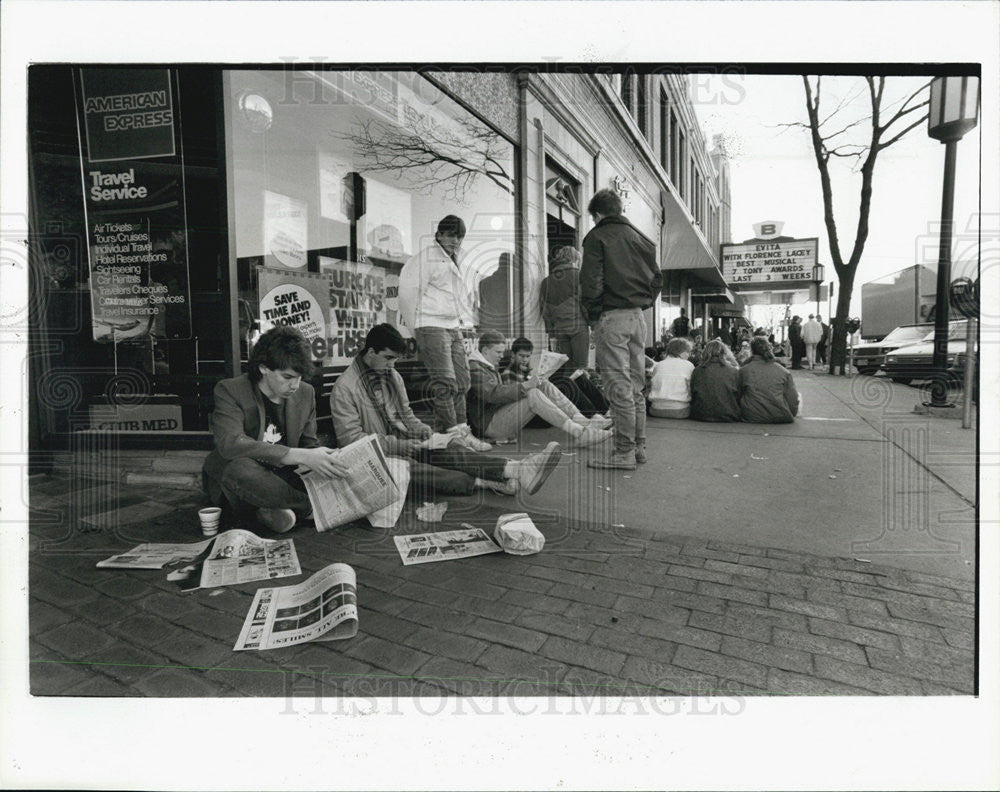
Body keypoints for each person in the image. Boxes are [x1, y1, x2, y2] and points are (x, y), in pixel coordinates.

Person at [330, 324, 564, 499]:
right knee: (418, 472)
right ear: (371, 353)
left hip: (404, 444)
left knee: (452, 449)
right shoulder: (345, 388)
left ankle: (518, 470)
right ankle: (487, 480)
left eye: (395, 360)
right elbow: (351, 441)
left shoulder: (392, 375)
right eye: (388, 358)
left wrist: (422, 430)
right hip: (378, 459)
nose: (392, 365)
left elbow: (407, 414)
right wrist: (397, 445)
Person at [201, 326, 348, 534]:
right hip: (244, 474)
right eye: (287, 377)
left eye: (299, 377)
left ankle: (268, 511)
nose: (295, 385)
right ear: (263, 368)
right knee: (240, 470)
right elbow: (230, 443)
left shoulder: (306, 393)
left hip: (282, 478)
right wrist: (297, 455)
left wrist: (323, 459)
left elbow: (308, 444)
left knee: (332, 472)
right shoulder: (230, 390)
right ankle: (310, 509)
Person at [579, 188, 662, 470]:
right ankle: (638, 447)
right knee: (636, 385)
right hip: (638, 317)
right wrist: (643, 302)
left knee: (618, 386)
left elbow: (590, 282)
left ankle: (624, 452)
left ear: (598, 214)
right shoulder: (643, 240)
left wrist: (593, 315)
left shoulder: (597, 237)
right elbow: (657, 279)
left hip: (612, 315)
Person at [397, 215, 490, 451]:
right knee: (445, 382)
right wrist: (417, 330)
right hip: (430, 325)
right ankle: (453, 435)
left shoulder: (453, 260)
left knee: (462, 380)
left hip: (452, 326)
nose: (455, 241)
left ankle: (457, 432)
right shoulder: (427, 258)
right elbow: (408, 294)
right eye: (450, 235)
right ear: (439, 235)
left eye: (459, 237)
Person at [468, 331, 611, 446]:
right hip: (489, 425)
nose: (501, 356)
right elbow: (493, 394)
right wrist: (525, 386)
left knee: (544, 384)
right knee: (534, 394)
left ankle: (584, 422)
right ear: (485, 350)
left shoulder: (486, 365)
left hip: (495, 417)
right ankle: (580, 432)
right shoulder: (476, 368)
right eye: (498, 352)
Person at [504, 336, 612, 422]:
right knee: (566, 383)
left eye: (527, 356)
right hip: (534, 413)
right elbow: (516, 400)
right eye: (521, 356)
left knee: (580, 378)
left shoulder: (523, 370)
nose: (524, 360)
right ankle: (592, 416)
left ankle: (607, 410)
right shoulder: (509, 373)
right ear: (513, 354)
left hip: (543, 402)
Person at [540, 245, 590, 371]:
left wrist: (551, 334)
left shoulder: (546, 282)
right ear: (574, 260)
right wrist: (592, 324)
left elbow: (545, 312)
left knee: (566, 368)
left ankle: (568, 391)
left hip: (559, 330)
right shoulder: (579, 276)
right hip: (578, 328)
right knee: (580, 368)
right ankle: (580, 390)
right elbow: (584, 304)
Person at [738, 337, 800, 424]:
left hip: (752, 415)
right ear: (769, 348)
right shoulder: (784, 372)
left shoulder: (743, 371)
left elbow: (737, 395)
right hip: (781, 416)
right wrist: (791, 413)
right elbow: (792, 399)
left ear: (752, 350)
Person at [689, 339, 741, 422]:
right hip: (729, 414)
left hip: (700, 414)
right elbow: (738, 394)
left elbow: (692, 391)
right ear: (724, 353)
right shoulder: (733, 371)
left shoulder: (698, 370)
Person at [648, 337, 694, 419]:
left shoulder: (659, 365)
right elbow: (692, 388)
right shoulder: (689, 365)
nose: (689, 355)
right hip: (680, 410)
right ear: (681, 352)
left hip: (656, 409)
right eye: (688, 352)